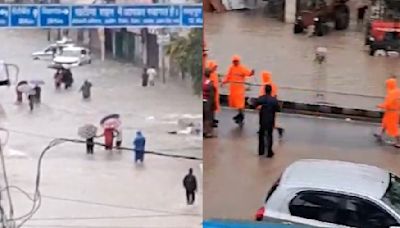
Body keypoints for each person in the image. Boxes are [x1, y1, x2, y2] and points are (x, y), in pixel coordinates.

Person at [222, 55, 254, 125]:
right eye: (234, 61)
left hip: (239, 90)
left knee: (240, 104)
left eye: (236, 61)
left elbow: (248, 73)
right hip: (233, 89)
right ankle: (240, 115)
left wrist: (252, 73)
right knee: (235, 104)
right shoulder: (231, 68)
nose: (235, 62)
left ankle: (241, 116)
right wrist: (224, 82)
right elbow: (228, 77)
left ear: (238, 61)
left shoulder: (242, 68)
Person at [253, 85, 280, 157]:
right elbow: (278, 109)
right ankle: (269, 152)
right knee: (269, 135)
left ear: (265, 90)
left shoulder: (261, 98)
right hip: (271, 119)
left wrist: (259, 107)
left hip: (262, 119)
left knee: (261, 135)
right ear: (271, 90)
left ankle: (261, 151)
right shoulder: (274, 100)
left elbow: (254, 104)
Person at [258, 71, 284, 138]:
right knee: (271, 121)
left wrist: (259, 105)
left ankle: (276, 130)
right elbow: (275, 95)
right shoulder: (273, 85)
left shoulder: (264, 86)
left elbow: (262, 96)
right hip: (272, 105)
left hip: (265, 106)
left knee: (264, 120)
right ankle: (276, 129)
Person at [377, 78, 400, 146]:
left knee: (392, 127)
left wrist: (380, 106)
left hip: (391, 112)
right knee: (385, 123)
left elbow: (388, 104)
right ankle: (380, 135)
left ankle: (398, 142)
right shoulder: (397, 91)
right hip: (394, 111)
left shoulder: (391, 93)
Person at [203, 68, 216, 138]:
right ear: (210, 74)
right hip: (207, 102)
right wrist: (213, 104)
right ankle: (207, 132)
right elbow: (212, 95)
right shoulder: (210, 83)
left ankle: (202, 131)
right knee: (208, 118)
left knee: (203, 117)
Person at [207, 60, 220, 127]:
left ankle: (212, 119)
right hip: (211, 93)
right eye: (214, 67)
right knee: (210, 108)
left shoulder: (215, 74)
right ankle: (210, 121)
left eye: (215, 67)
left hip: (215, 93)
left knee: (213, 108)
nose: (215, 68)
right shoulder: (208, 75)